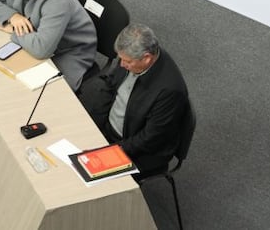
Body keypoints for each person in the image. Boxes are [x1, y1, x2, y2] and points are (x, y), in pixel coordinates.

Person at [77, 24, 189, 176]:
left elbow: (149, 139)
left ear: (146, 58)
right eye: (121, 59)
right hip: (110, 130)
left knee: (84, 174)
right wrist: (92, 125)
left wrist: (108, 151)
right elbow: (110, 88)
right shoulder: (131, 56)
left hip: (139, 150)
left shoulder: (170, 90)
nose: (122, 65)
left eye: (127, 62)